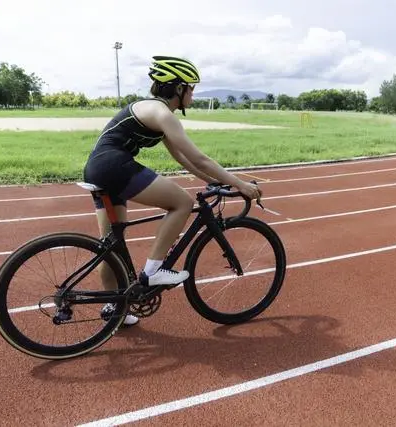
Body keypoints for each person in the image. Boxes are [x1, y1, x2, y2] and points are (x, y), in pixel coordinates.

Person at [83, 55, 262, 326]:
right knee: (181, 202)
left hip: (98, 168)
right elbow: (200, 157)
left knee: (111, 245)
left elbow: (184, 159)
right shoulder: (162, 113)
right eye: (191, 88)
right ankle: (154, 270)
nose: (193, 94)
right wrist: (241, 184)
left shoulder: (153, 111)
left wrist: (214, 181)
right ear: (178, 88)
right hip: (114, 166)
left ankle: (113, 308)